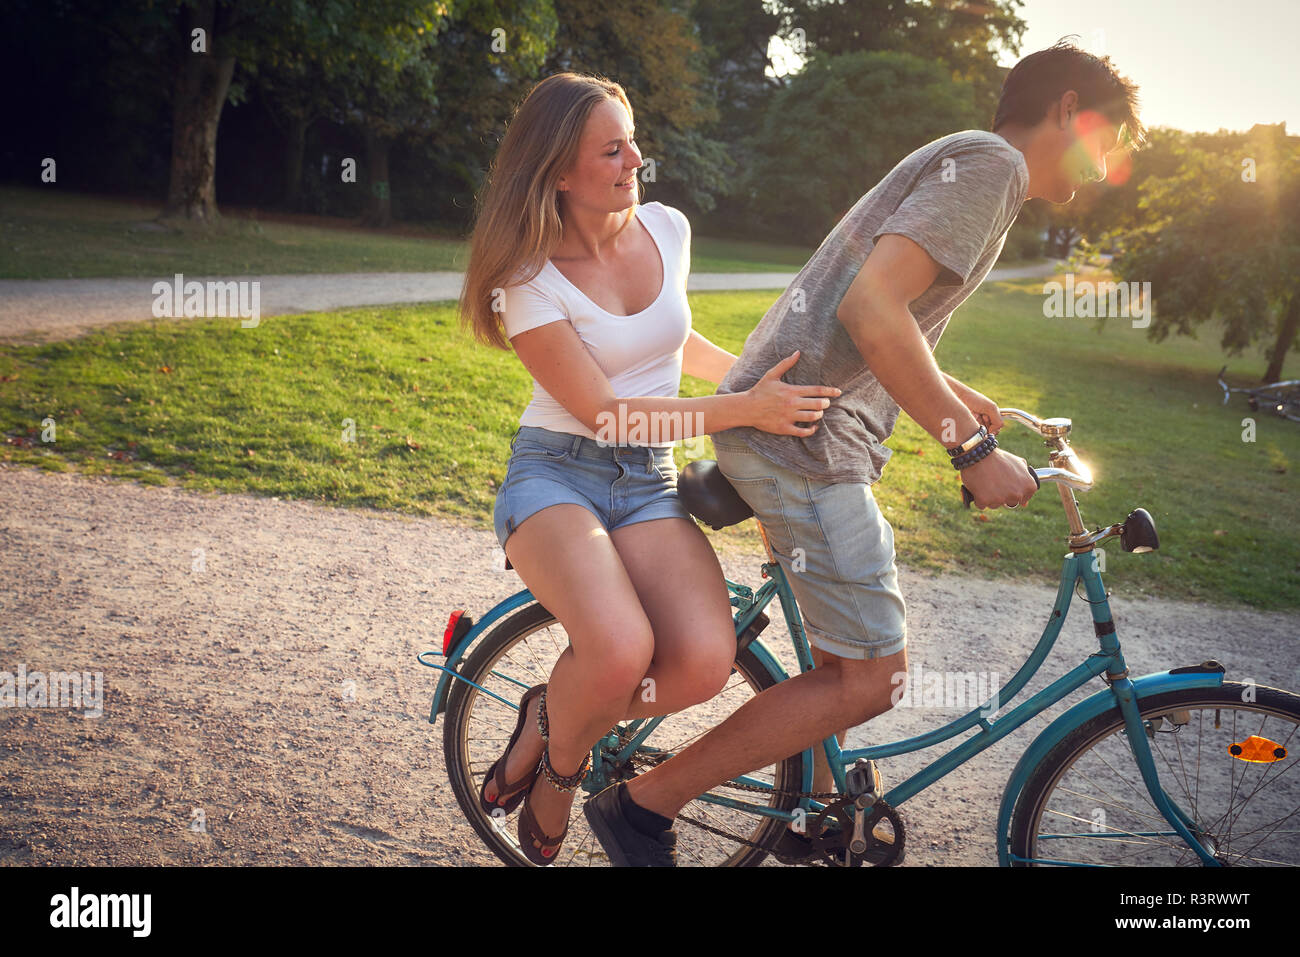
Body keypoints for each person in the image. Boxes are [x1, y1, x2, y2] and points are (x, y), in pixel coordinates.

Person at [583, 39, 1146, 865]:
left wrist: (957, 396)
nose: (1100, 170)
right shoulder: (993, 167)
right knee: (875, 674)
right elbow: (869, 308)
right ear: (1067, 109)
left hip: (795, 429)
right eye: (1106, 143)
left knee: (844, 661)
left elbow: (886, 315)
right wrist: (971, 447)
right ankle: (641, 807)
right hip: (802, 442)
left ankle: (812, 808)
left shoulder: (974, 162)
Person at [458, 72, 841, 865]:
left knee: (704, 661)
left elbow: (674, 344)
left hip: (649, 480)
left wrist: (760, 386)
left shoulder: (667, 227)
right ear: (559, 171)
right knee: (622, 646)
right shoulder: (529, 280)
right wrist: (743, 411)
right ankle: (561, 767)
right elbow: (605, 413)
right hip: (558, 476)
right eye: (612, 147)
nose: (636, 157)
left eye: (632, 138)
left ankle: (551, 712)